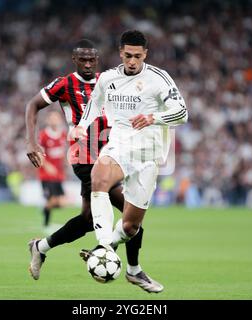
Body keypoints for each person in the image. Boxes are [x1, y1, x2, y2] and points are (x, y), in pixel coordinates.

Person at [26, 39, 163, 293]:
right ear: (74, 59)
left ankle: (40, 247)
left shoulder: (109, 80)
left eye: (92, 59)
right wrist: (32, 143)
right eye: (83, 59)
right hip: (84, 157)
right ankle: (132, 269)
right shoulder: (64, 84)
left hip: (113, 155)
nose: (88, 64)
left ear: (97, 60)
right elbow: (33, 105)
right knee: (129, 210)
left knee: (89, 219)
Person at [71, 30, 188, 291]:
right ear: (120, 53)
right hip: (120, 145)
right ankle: (103, 246)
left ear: (145, 54)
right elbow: (94, 103)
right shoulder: (109, 79)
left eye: (137, 56)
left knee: (131, 226)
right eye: (127, 55)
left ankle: (123, 261)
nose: (132, 61)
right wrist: (81, 126)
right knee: (99, 178)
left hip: (148, 154)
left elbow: (182, 113)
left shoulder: (159, 79)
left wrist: (154, 118)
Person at [37, 110, 67, 233]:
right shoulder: (44, 135)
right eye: (52, 118)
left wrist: (67, 161)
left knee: (62, 203)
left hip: (58, 174)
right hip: (46, 174)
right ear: (48, 120)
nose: (54, 120)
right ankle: (46, 224)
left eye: (56, 118)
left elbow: (63, 152)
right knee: (52, 200)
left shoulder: (63, 134)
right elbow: (39, 153)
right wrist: (47, 165)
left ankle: (44, 208)